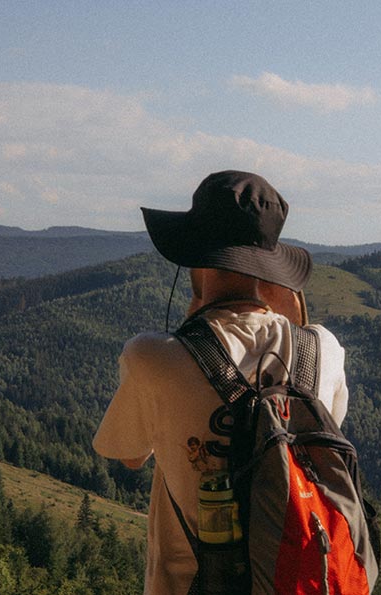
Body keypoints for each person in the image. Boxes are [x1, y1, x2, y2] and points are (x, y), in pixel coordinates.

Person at [92, 170, 350, 594]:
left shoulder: (152, 357)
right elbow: (322, 433)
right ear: (270, 265)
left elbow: (132, 456)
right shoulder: (325, 349)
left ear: (196, 255)